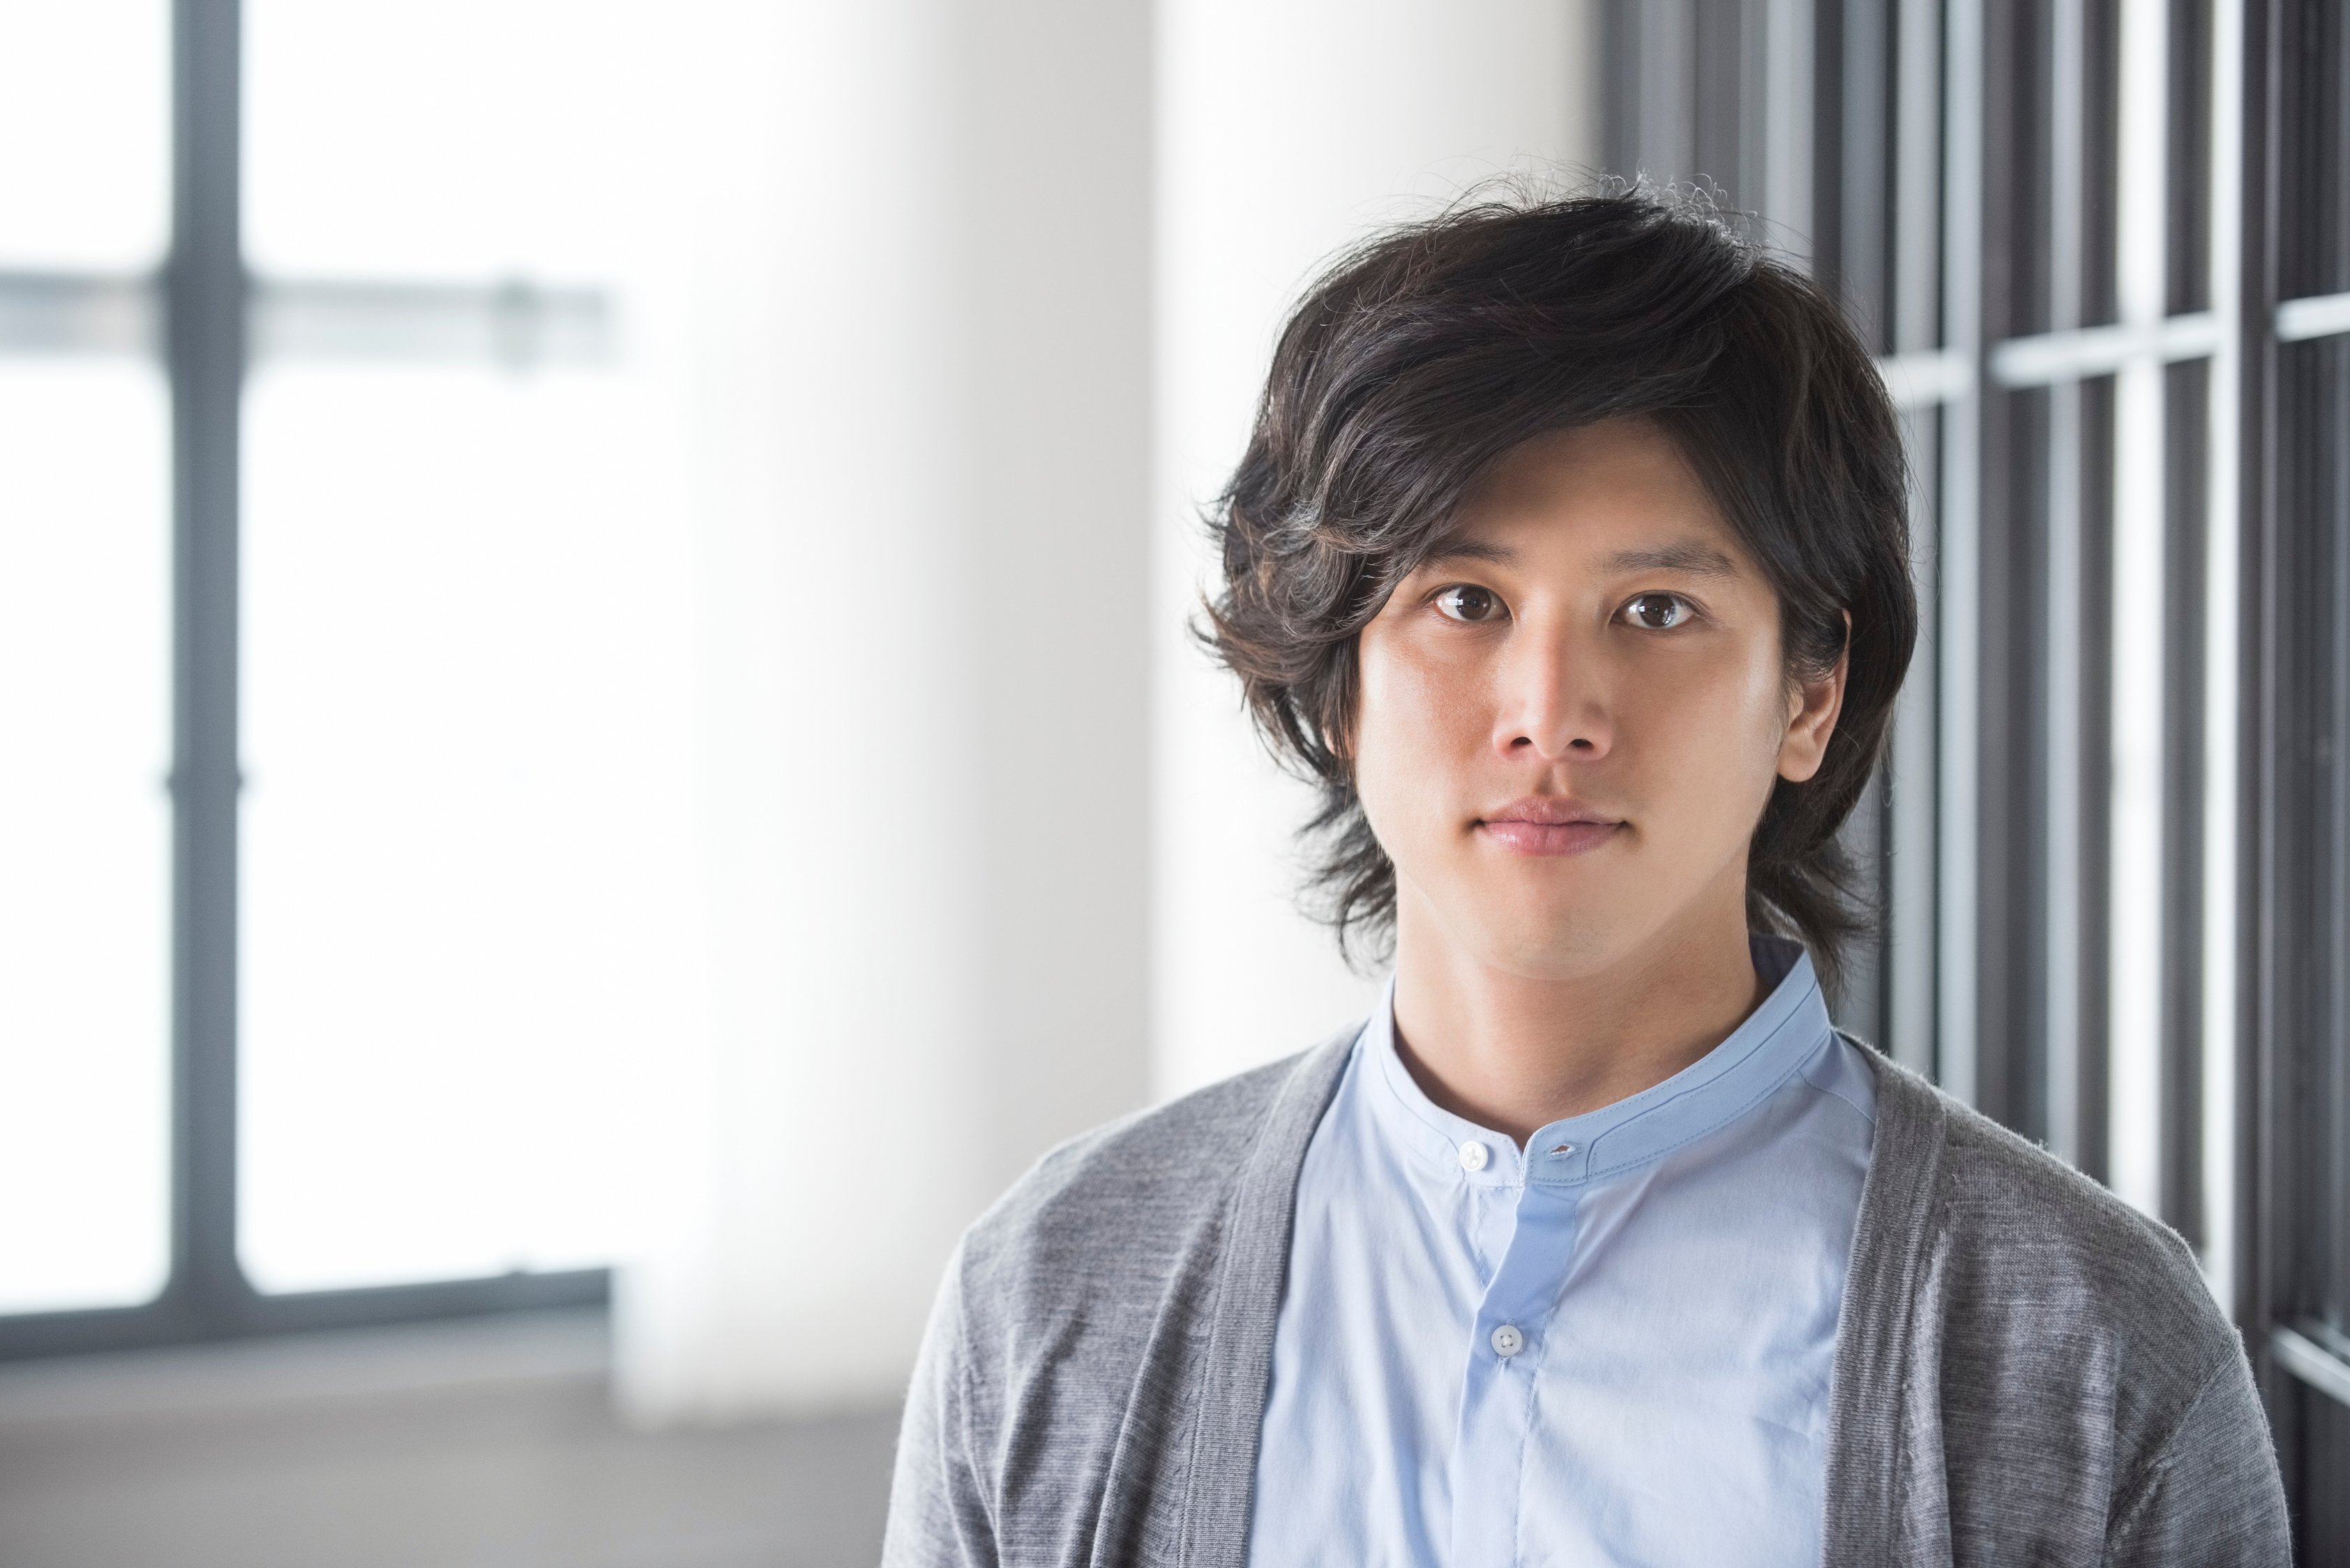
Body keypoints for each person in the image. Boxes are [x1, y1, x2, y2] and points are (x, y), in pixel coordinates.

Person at [880, 190, 2291, 1567]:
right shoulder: (1052, 1289)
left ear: (1811, 689)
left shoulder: (2090, 1343)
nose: (1551, 711)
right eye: (1465, 602)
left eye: (1656, 610)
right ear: (1336, 684)